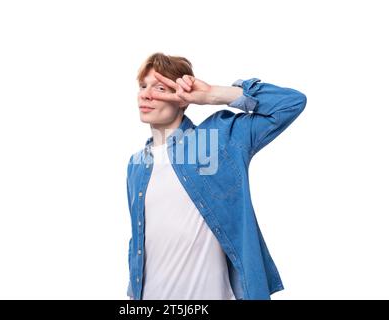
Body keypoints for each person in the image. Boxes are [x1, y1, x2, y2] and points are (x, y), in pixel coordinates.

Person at [126, 52, 307, 300]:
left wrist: (212, 94)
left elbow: (290, 103)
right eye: (143, 86)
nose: (146, 94)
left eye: (160, 87)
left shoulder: (217, 139)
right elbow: (139, 240)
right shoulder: (137, 164)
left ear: (182, 97)